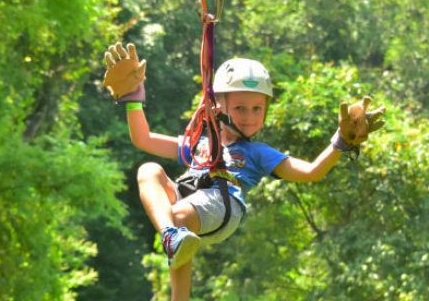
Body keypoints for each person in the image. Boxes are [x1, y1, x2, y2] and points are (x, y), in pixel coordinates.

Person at [103, 42, 386, 301]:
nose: (249, 117)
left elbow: (311, 171)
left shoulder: (258, 153)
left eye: (256, 109)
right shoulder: (199, 143)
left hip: (223, 203)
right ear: (218, 106)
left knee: (177, 218)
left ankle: (172, 235)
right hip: (190, 198)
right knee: (149, 170)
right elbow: (143, 139)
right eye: (240, 108)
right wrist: (133, 98)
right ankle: (174, 256)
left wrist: (340, 142)